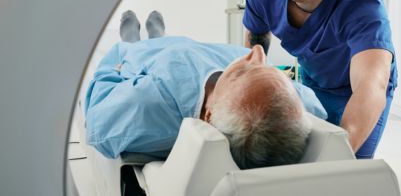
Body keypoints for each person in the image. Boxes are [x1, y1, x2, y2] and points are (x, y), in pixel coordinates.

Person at [243, 0, 397, 159]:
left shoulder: (362, 5)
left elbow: (371, 85)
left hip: (358, 91)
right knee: (295, 155)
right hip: (314, 82)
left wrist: (335, 159)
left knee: (345, 166)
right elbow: (256, 43)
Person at [84, 10, 325, 169]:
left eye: (243, 71)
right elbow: (316, 107)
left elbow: (97, 119)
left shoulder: (148, 107)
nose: (258, 52)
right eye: (269, 69)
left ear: (208, 115)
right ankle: (158, 36)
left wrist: (112, 69)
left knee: (133, 50)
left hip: (148, 61)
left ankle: (133, 40)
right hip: (199, 50)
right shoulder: (298, 108)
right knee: (175, 42)